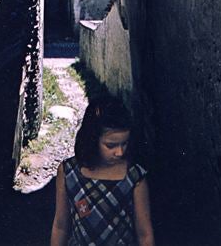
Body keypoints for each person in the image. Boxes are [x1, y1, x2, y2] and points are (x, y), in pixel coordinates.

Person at [50, 97, 154, 246]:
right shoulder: (69, 173)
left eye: (124, 144)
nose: (119, 152)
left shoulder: (134, 177)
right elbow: (60, 226)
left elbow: (145, 234)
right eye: (110, 145)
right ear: (92, 140)